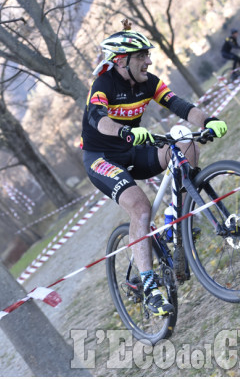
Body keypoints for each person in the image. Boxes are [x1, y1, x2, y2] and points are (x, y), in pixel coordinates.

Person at [81, 22, 227, 316]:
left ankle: (178, 221)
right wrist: (123, 132)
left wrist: (207, 120)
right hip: (102, 158)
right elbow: (98, 119)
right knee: (140, 207)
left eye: (147, 55)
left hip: (132, 147)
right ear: (121, 61)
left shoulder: (148, 81)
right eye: (141, 56)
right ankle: (149, 287)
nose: (148, 61)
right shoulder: (103, 85)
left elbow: (179, 105)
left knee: (186, 146)